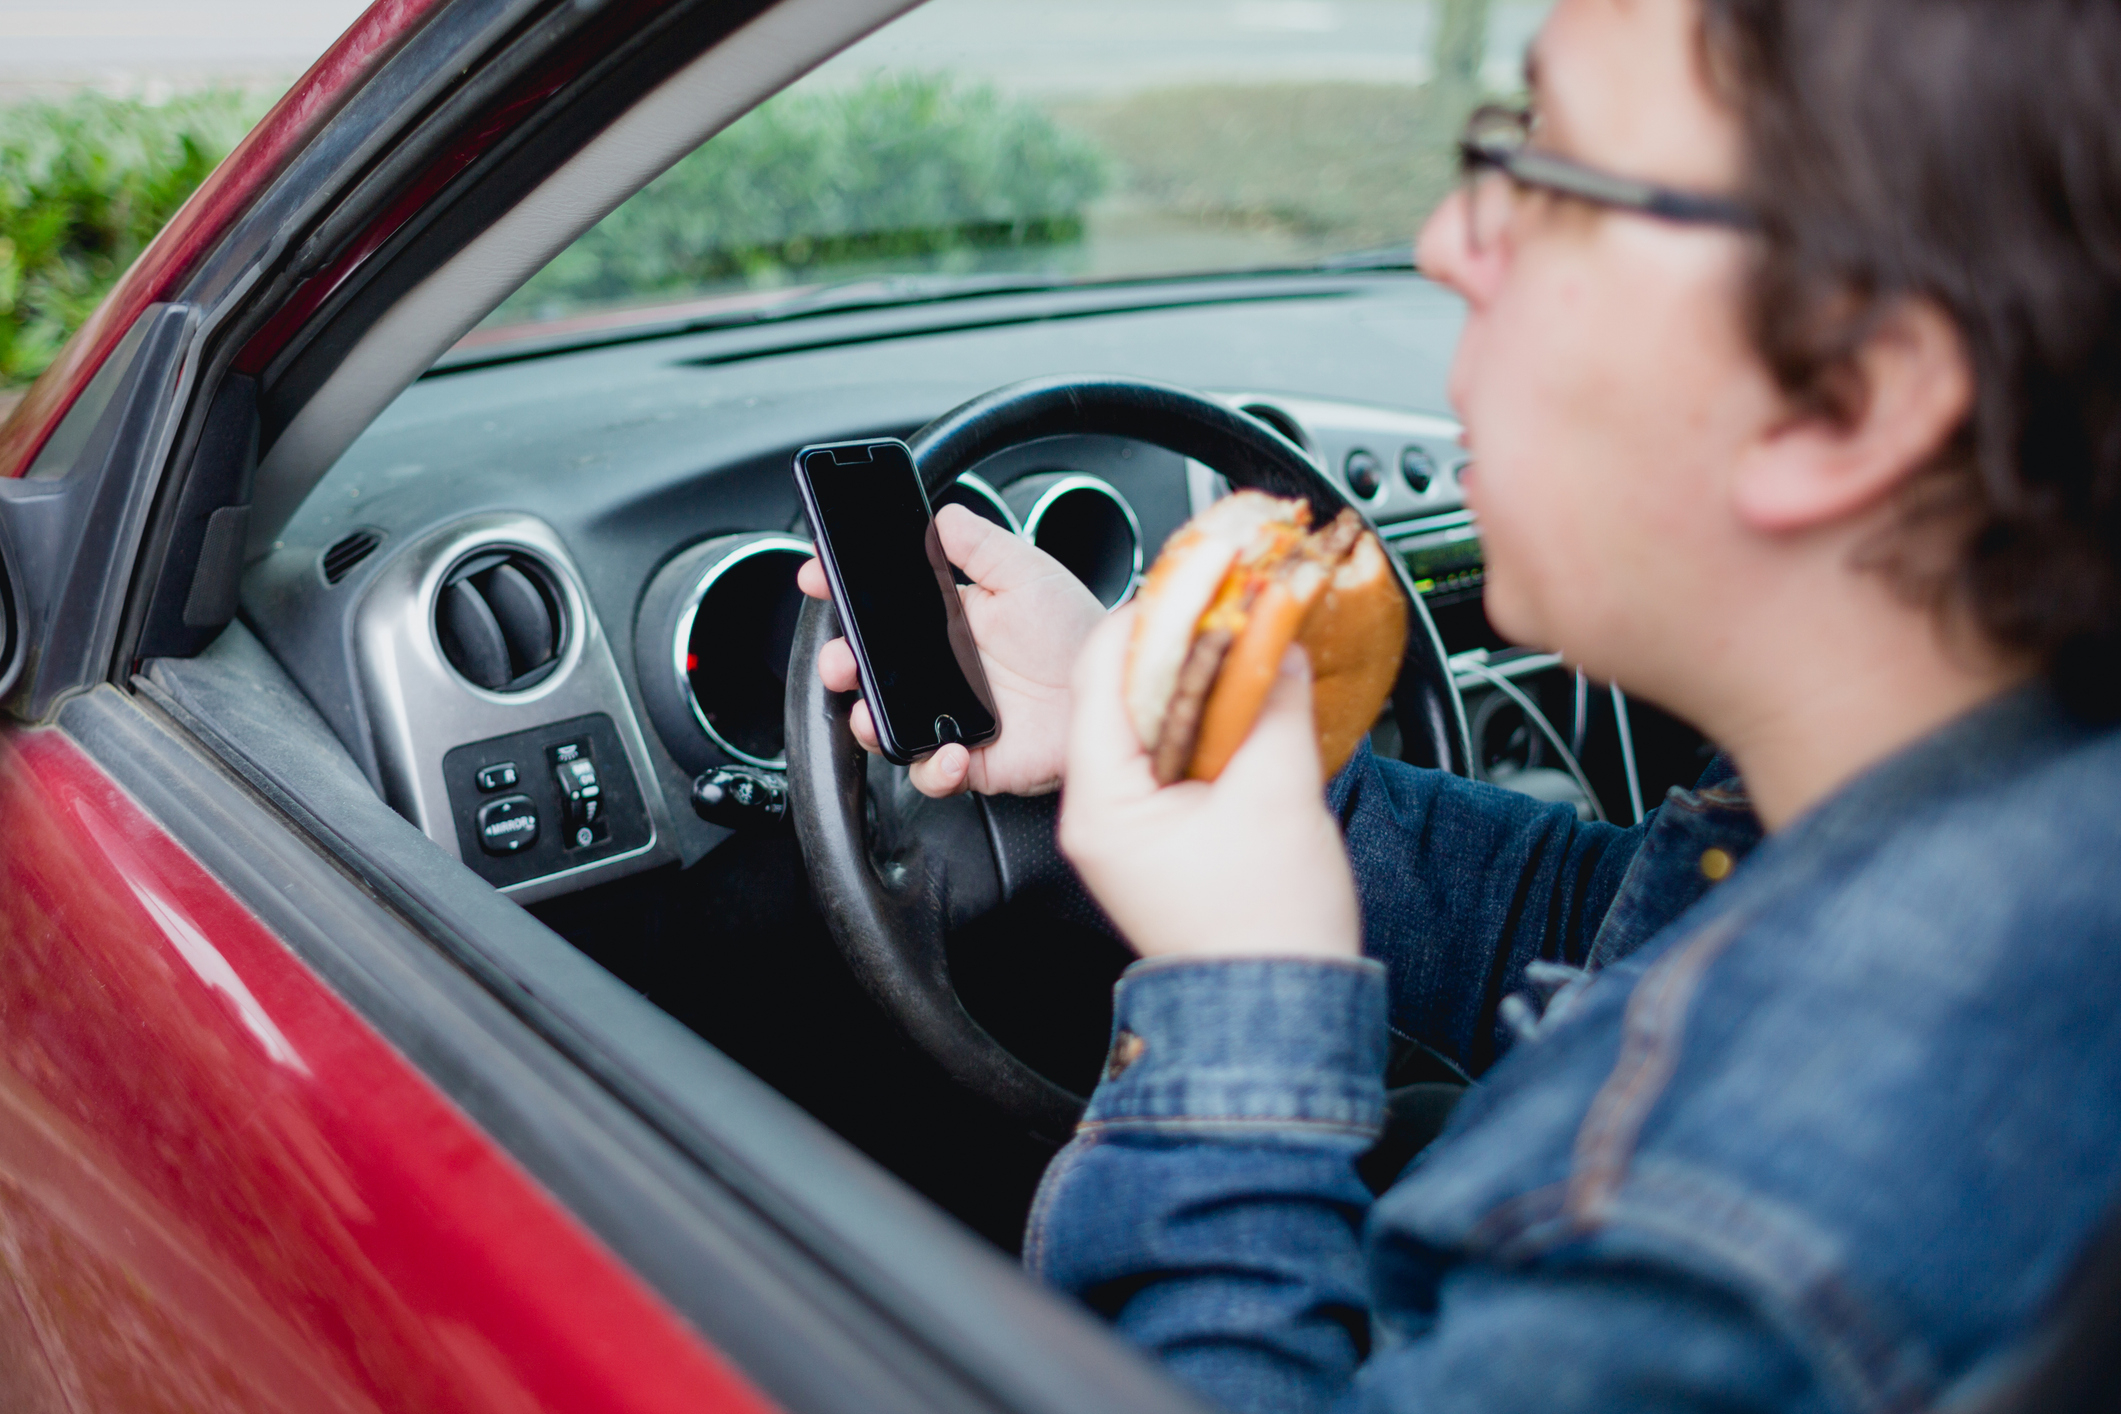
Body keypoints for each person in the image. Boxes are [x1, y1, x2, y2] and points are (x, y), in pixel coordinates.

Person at [798, 0, 2121, 1407]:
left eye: (1544, 168)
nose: (1445, 240)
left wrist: (1238, 990)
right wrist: (1162, 726)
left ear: (1848, 398)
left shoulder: (1716, 1233)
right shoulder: (2003, 823)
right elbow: (1618, 938)